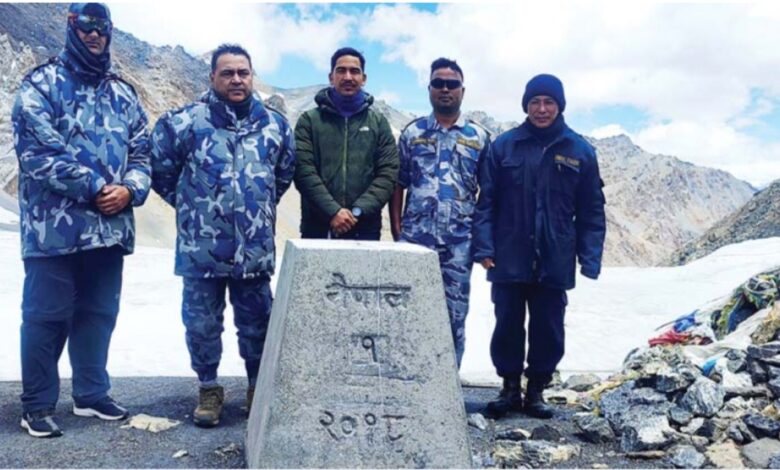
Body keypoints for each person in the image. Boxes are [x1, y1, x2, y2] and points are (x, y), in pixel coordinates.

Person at [12, 2, 151, 438]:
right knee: (46, 317)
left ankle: (91, 394)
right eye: (85, 25)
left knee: (98, 314)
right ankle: (37, 405)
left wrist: (131, 189)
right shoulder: (40, 85)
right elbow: (37, 154)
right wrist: (95, 187)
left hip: (109, 231)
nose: (94, 34)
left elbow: (143, 154)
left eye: (102, 27)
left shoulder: (124, 94)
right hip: (53, 231)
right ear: (71, 27)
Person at [150, 44, 295, 428]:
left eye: (243, 73)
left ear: (252, 76)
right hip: (201, 250)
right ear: (212, 76)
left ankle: (256, 388)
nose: (236, 80)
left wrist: (253, 211)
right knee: (201, 324)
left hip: (253, 249)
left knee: (258, 324)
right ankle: (208, 389)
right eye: (227, 73)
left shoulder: (275, 126)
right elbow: (161, 173)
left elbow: (282, 175)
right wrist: (193, 208)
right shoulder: (183, 123)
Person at [472, 74, 606, 419]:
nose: (541, 109)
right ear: (526, 106)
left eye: (548, 102)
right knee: (507, 324)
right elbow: (486, 202)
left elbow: (592, 210)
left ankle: (536, 391)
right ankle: (508, 388)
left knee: (549, 327)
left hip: (555, 256)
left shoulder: (580, 151)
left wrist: (590, 258)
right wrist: (484, 247)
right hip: (508, 255)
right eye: (535, 102)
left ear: (560, 106)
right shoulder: (504, 146)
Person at [389, 58, 490, 368]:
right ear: (429, 88)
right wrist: (397, 231)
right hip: (415, 242)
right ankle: (408, 379)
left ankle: (447, 381)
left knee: (454, 317)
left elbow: (489, 194)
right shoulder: (412, 133)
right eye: (438, 83)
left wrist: (481, 242)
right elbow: (398, 184)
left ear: (462, 91)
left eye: (452, 84)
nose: (445, 89)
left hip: (459, 245)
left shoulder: (478, 137)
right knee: (408, 313)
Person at [294, 47, 398, 240]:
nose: (348, 77)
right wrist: (333, 212)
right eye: (341, 70)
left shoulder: (378, 123)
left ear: (363, 78)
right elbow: (303, 171)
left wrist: (357, 211)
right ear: (331, 77)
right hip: (317, 229)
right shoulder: (309, 121)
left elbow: (388, 173)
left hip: (365, 229)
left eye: (354, 71)